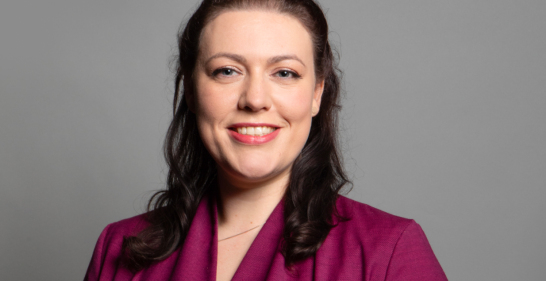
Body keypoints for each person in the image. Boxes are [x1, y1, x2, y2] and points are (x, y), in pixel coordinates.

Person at [84, 0, 448, 280]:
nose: (255, 99)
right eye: (227, 71)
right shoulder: (120, 249)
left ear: (317, 93)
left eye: (285, 73)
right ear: (192, 90)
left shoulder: (388, 252)